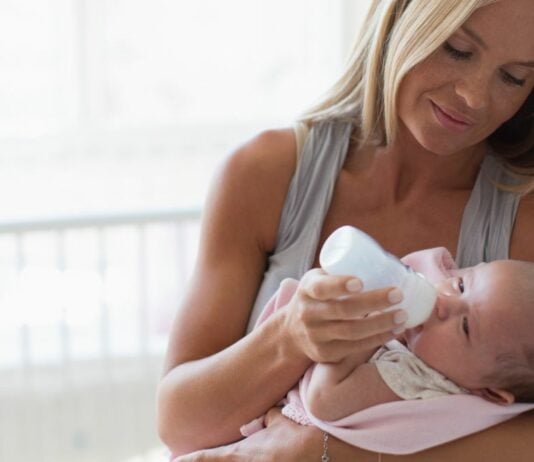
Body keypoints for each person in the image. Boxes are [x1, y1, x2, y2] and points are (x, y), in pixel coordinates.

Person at [158, 0, 534, 460]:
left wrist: (321, 451)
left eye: (514, 76)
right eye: (457, 49)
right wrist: (291, 336)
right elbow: (178, 424)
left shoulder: (523, 221)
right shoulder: (266, 175)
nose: (474, 96)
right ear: (399, 19)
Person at [240, 248, 534, 438]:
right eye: (460, 285)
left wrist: (376, 325)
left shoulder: (423, 384)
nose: (445, 303)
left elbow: (325, 400)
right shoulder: (435, 353)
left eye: (466, 326)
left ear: (492, 394)